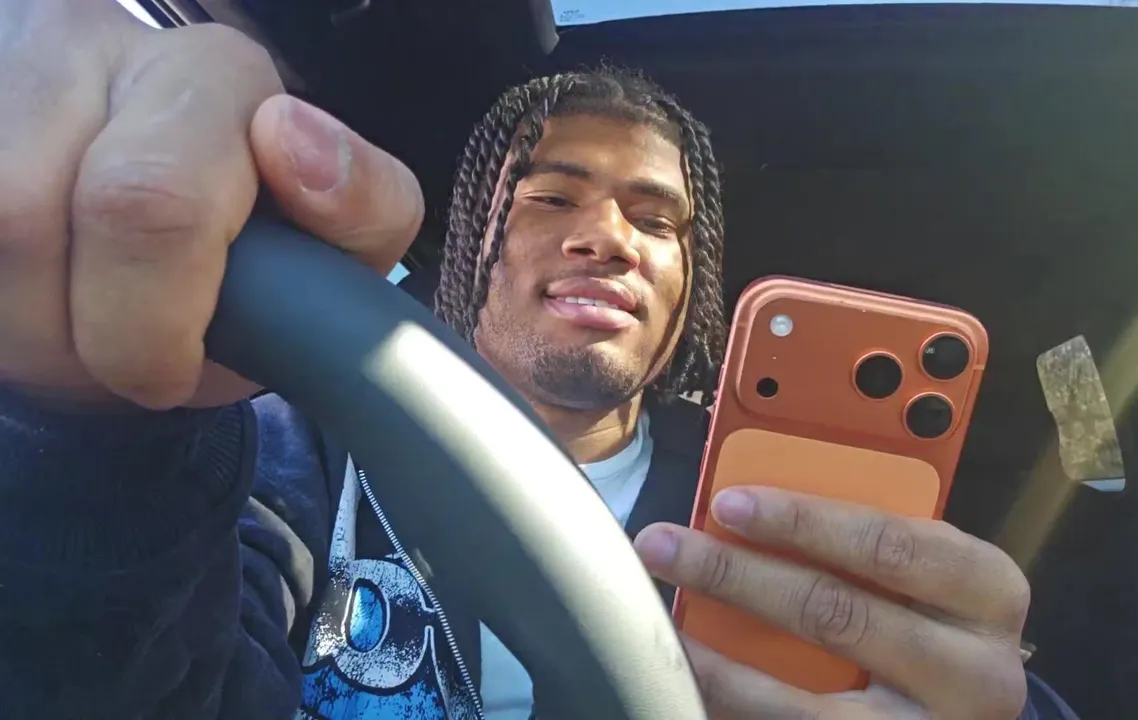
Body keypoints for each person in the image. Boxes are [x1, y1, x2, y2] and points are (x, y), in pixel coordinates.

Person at [0, 1, 1077, 718]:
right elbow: (122, 675)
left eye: (654, 219)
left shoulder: (773, 504)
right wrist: (83, 436)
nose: (607, 237)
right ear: (471, 238)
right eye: (553, 198)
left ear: (689, 287)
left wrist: (1001, 706)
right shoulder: (295, 451)